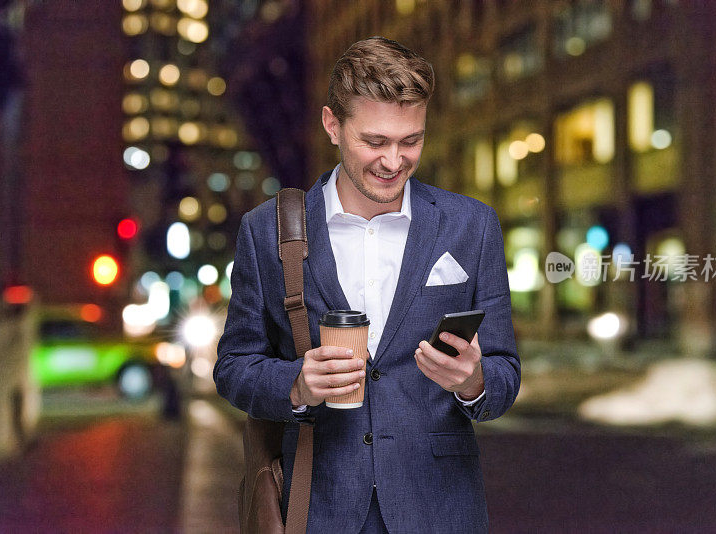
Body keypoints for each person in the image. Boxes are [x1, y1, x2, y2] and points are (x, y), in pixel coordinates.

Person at [215, 36, 520, 533]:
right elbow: (233, 367)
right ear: (333, 125)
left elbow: (505, 372)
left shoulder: (472, 226)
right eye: (374, 141)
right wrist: (296, 384)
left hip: (440, 510)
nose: (393, 161)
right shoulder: (265, 231)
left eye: (411, 140)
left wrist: (474, 382)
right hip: (318, 508)